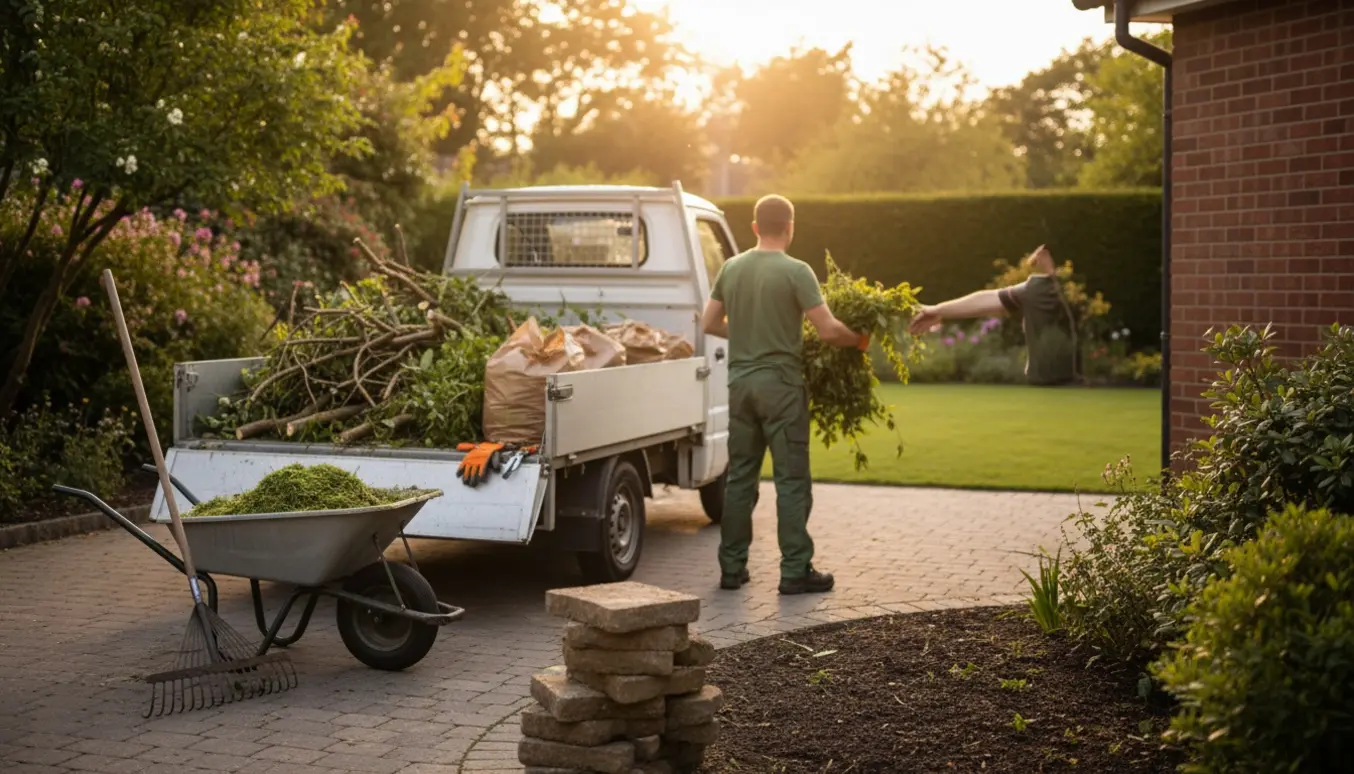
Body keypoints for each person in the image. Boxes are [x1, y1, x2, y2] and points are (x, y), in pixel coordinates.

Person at [699, 194, 869, 595]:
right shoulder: (798, 271)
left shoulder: (731, 267)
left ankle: (731, 569)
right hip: (781, 388)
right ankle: (795, 571)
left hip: (740, 387)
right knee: (791, 481)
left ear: (755, 227)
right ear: (790, 227)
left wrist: (742, 333)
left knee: (740, 479)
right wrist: (858, 339)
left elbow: (709, 322)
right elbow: (827, 330)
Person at [908, 244, 1079, 386]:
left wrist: (937, 310)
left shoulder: (1042, 290)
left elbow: (988, 300)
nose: (1033, 259)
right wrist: (938, 311)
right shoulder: (1043, 289)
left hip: (1060, 389)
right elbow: (991, 301)